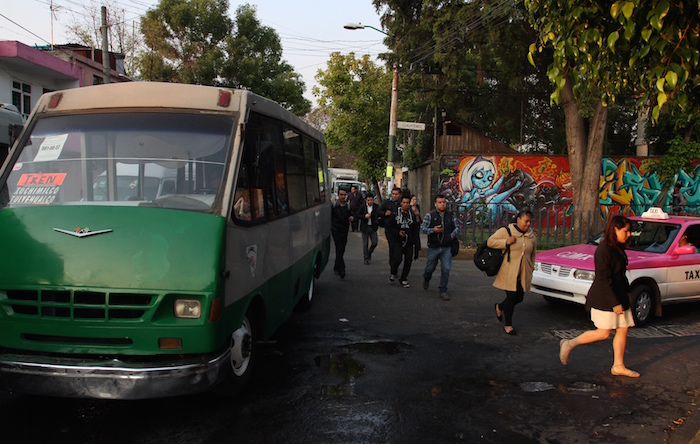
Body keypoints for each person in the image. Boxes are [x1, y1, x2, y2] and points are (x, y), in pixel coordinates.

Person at [559, 215, 640, 378]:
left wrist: (628, 292)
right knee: (603, 333)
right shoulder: (603, 250)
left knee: (623, 329)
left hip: (619, 295)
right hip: (605, 297)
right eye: (626, 231)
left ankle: (618, 365)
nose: (629, 234)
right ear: (615, 229)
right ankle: (568, 344)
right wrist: (615, 303)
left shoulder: (619, 249)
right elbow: (604, 279)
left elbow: (620, 275)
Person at [488, 209, 537, 335]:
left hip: (523, 272)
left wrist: (531, 267)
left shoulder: (531, 235)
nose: (528, 224)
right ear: (518, 219)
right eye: (525, 221)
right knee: (511, 296)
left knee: (519, 298)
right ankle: (508, 325)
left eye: (530, 222)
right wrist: (506, 242)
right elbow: (490, 242)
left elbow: (533, 254)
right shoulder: (507, 231)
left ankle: (499, 307)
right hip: (508, 271)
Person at [421, 194, 459, 301]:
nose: (442, 204)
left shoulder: (451, 215)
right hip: (434, 246)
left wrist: (452, 235)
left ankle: (443, 290)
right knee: (430, 268)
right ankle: (426, 278)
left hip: (447, 247)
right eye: (440, 202)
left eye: (444, 202)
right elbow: (423, 229)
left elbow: (457, 227)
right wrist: (433, 230)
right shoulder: (430, 215)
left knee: (446, 269)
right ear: (435, 204)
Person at [386, 195, 419, 287]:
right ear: (401, 203)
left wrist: (417, 245)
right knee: (397, 258)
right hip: (397, 240)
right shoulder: (395, 214)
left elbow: (415, 231)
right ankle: (393, 272)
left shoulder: (412, 215)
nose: (405, 204)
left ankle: (403, 278)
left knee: (408, 260)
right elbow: (389, 227)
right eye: (404, 203)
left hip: (409, 241)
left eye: (407, 203)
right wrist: (397, 232)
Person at [331, 189, 354, 279]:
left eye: (344, 195)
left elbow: (352, 215)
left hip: (344, 231)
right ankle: (342, 270)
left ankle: (336, 266)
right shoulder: (333, 206)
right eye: (341, 195)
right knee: (339, 248)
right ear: (338, 195)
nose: (343, 197)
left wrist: (352, 218)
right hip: (335, 230)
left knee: (341, 249)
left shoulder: (348, 206)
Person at [378, 187, 403, 265]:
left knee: (399, 251)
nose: (394, 196)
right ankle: (392, 266)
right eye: (393, 194)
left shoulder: (402, 204)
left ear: (400, 195)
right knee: (392, 247)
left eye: (396, 194)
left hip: (400, 229)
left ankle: (396, 263)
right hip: (389, 229)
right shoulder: (387, 203)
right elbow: (378, 211)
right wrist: (385, 213)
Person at [359, 192, 379, 264]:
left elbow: (378, 215)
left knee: (374, 242)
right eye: (368, 200)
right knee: (365, 243)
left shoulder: (376, 207)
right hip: (365, 227)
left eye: (371, 200)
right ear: (366, 200)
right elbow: (358, 215)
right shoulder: (362, 207)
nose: (370, 202)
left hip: (373, 227)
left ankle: (369, 253)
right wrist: (365, 216)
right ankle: (366, 258)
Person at [410, 195, 422, 260]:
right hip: (411, 225)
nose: (414, 201)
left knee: (417, 238)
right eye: (413, 199)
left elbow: (419, 215)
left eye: (415, 199)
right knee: (411, 239)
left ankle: (416, 255)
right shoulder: (409, 207)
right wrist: (410, 206)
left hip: (417, 224)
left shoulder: (417, 207)